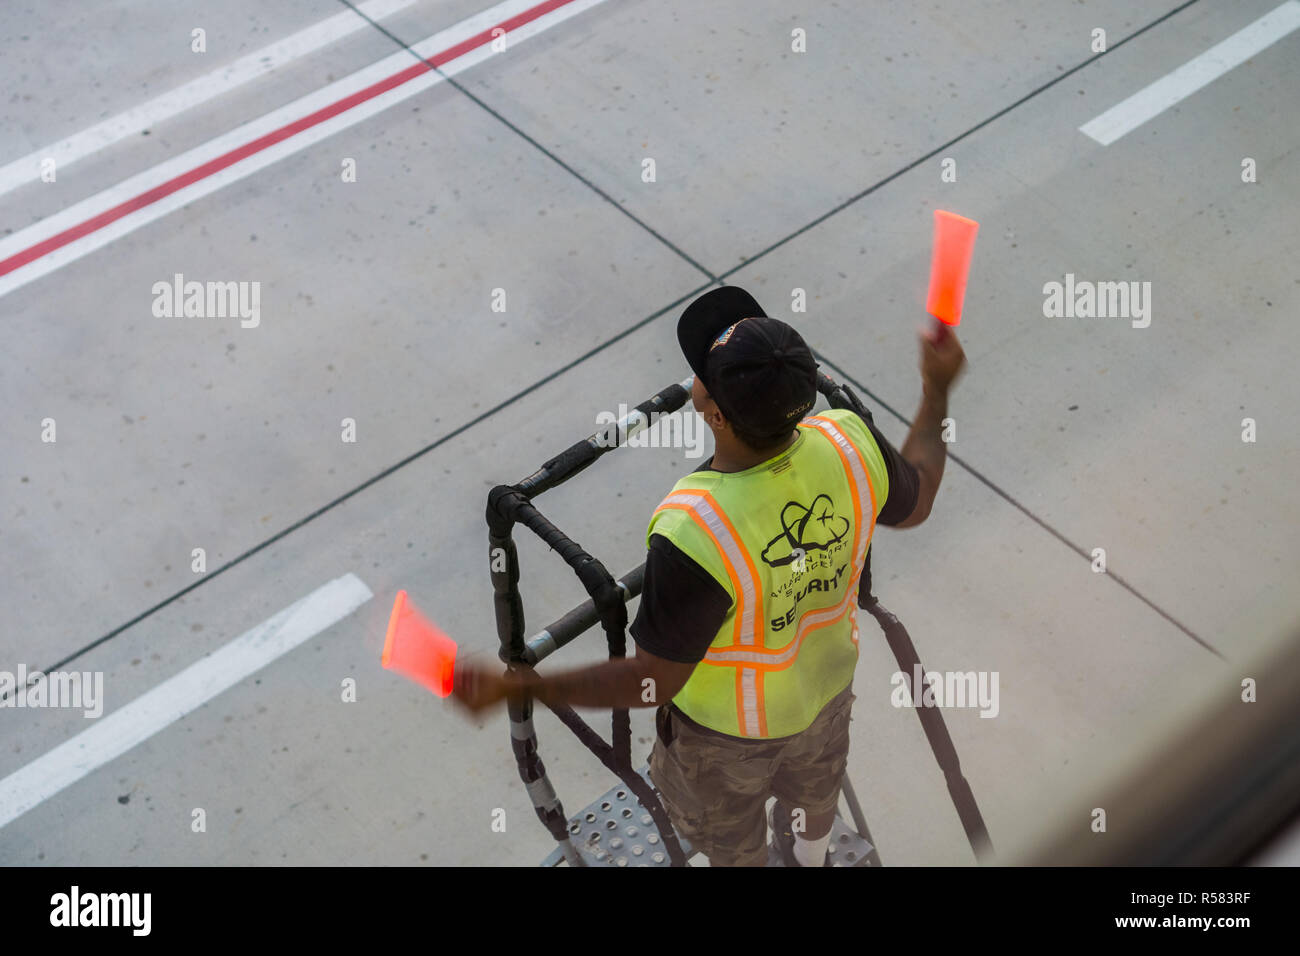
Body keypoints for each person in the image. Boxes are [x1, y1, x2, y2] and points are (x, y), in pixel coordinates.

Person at [452, 286, 966, 866]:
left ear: (712, 410)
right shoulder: (849, 441)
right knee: (815, 801)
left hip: (723, 743)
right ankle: (809, 855)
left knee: (729, 844)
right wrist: (936, 389)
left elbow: (653, 681)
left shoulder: (696, 529)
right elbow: (916, 500)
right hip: (826, 696)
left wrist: (529, 687)